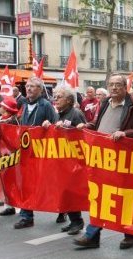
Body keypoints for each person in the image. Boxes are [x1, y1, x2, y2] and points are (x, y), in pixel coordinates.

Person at [73, 74, 133, 249]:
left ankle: (130, 235)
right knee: (101, 196)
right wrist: (86, 126)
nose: (114, 88)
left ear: (125, 87)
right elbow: (97, 124)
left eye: (118, 85)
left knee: (124, 197)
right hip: (103, 158)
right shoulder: (104, 103)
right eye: (111, 85)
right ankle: (92, 235)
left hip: (123, 160)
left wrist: (126, 134)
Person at [14, 76, 59, 229]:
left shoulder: (46, 105)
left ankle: (65, 210)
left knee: (50, 184)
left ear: (40, 89)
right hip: (27, 152)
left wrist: (49, 124)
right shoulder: (25, 105)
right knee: (25, 184)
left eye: (33, 86)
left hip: (42, 153)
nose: (29, 89)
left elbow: (56, 126)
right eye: (27, 86)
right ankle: (26, 216)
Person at [42, 85, 87, 235]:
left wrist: (67, 129)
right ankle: (73, 220)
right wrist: (49, 126)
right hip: (62, 161)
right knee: (64, 191)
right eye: (54, 97)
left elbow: (84, 134)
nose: (55, 99)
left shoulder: (76, 114)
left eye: (59, 97)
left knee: (71, 191)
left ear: (69, 100)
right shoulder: (58, 113)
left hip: (74, 161)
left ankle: (78, 221)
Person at [0, 96, 20, 217]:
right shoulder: (1, 119)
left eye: (1, 106)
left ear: (6, 109)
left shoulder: (13, 121)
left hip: (12, 154)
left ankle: (17, 205)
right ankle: (8, 205)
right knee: (5, 179)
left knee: (13, 180)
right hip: (2, 153)